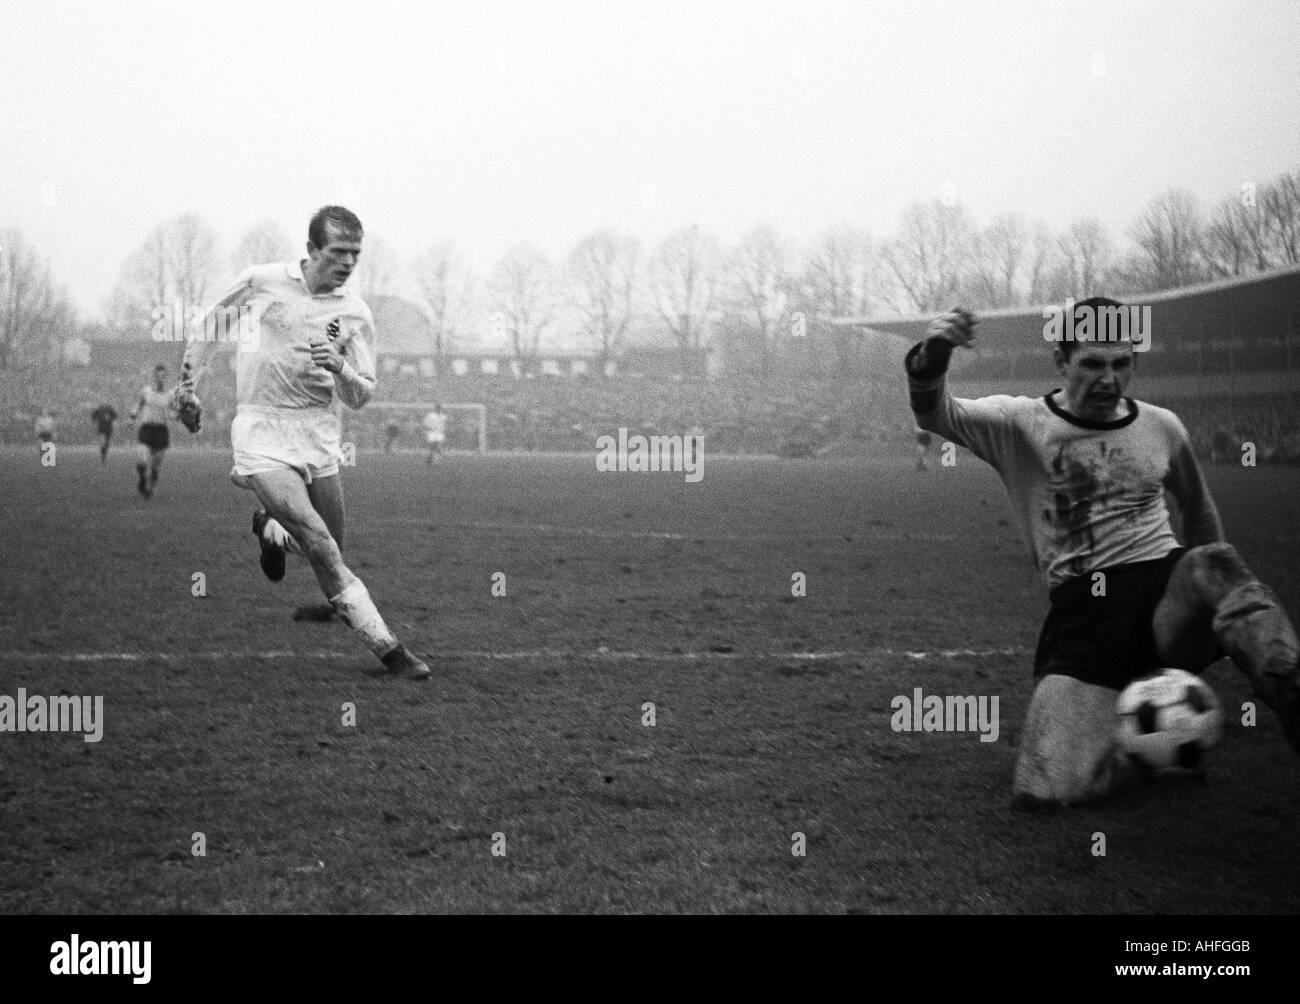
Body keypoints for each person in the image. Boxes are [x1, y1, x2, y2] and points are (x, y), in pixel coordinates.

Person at [905, 298, 1299, 807]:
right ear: (1061, 362)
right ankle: (1139, 752)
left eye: (1121, 364)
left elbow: (1199, 513)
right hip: (1087, 617)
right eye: (1092, 363)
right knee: (1043, 793)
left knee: (1213, 562)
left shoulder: (1163, 427)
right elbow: (934, 411)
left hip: (1165, 597)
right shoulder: (1017, 423)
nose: (1108, 379)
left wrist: (1209, 624)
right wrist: (935, 351)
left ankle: (1291, 692)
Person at [177, 205, 430, 680]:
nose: (349, 262)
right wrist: (188, 386)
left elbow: (361, 396)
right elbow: (211, 326)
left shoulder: (355, 313)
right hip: (262, 432)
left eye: (356, 253)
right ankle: (392, 652)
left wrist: (340, 367)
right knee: (320, 542)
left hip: (318, 433)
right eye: (339, 252)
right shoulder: (262, 282)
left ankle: (270, 531)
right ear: (312, 250)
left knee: (330, 545)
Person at [130, 366, 172, 497]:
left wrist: (179, 415)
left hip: (161, 430)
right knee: (142, 460)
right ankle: (142, 479)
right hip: (147, 428)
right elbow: (138, 404)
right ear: (154, 377)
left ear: (166, 378)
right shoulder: (146, 391)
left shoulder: (170, 395)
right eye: (159, 376)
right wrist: (133, 416)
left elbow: (174, 410)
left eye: (164, 376)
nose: (161, 379)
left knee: (155, 465)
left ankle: (150, 488)